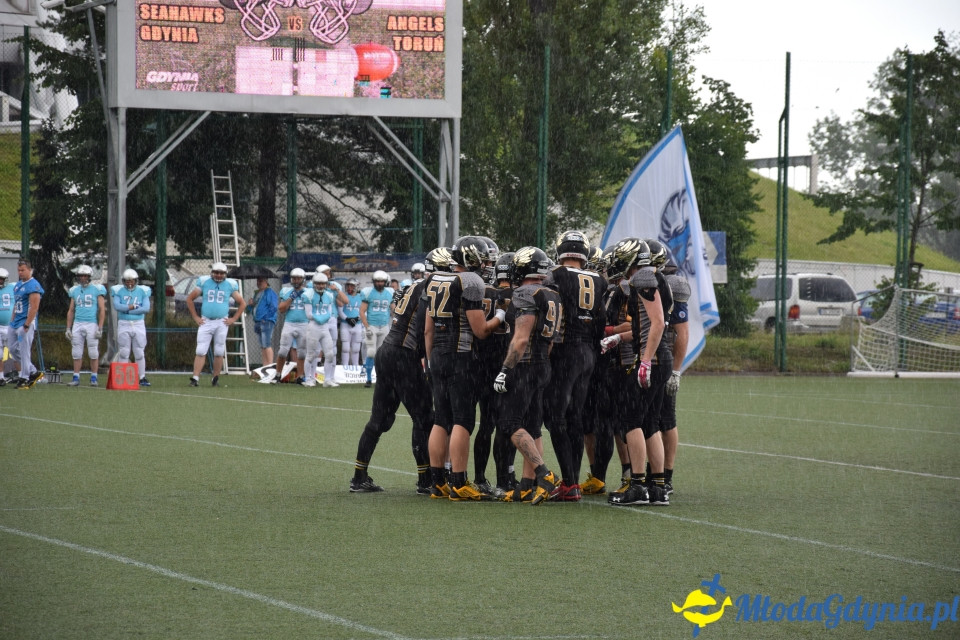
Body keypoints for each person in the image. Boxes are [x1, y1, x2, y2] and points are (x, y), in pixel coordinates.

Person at [349, 250, 445, 494]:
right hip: (404, 354)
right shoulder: (430, 289)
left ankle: (359, 476)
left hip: (388, 351)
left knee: (380, 420)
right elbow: (426, 328)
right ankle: (425, 480)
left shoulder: (412, 286)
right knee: (424, 418)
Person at [424, 236, 506, 501]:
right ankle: (459, 482)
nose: (485, 264)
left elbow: (427, 330)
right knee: (463, 420)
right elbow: (480, 331)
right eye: (481, 259)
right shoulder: (471, 281)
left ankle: (437, 482)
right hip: (460, 355)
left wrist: (430, 360)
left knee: (441, 419)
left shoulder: (434, 279)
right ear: (471, 259)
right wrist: (500, 317)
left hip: (437, 353)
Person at [492, 247, 562, 505]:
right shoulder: (553, 293)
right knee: (533, 428)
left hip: (525, 365)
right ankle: (526, 485)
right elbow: (552, 340)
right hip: (543, 364)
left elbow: (520, 339)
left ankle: (545, 474)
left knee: (509, 424)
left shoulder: (524, 292)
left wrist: (505, 370)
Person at [541, 231, 607, 502]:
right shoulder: (599, 280)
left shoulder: (556, 275)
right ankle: (574, 481)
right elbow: (600, 321)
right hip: (588, 353)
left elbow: (550, 309)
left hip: (565, 350)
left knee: (554, 416)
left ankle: (569, 482)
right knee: (575, 417)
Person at [186, 262, 246, 387]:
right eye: (216, 272)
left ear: (225, 274)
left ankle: (215, 378)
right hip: (206, 320)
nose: (218, 275)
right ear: (212, 272)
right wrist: (195, 317)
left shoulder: (230, 284)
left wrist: (233, 319)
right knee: (201, 350)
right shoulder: (204, 282)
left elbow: (242, 303)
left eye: (221, 273)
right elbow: (189, 299)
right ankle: (195, 378)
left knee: (219, 351)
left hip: (221, 322)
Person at [65, 265, 106, 387]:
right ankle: (76, 377)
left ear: (89, 277)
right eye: (81, 276)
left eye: (85, 276)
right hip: (77, 323)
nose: (82, 278)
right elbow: (71, 310)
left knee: (93, 351)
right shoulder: (75, 290)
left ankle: (94, 377)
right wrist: (68, 327)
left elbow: (102, 309)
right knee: (76, 352)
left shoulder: (97, 289)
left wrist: (100, 327)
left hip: (91, 323)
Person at [111, 268, 152, 387]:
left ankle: (142, 377)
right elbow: (117, 306)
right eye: (127, 281)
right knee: (124, 352)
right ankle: (122, 378)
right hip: (124, 323)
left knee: (139, 352)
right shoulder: (118, 291)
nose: (130, 283)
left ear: (136, 281)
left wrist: (128, 310)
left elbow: (146, 308)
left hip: (138, 323)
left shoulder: (143, 291)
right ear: (123, 281)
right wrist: (133, 307)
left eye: (132, 281)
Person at [8, 259, 45, 389]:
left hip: (25, 322)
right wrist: (12, 319)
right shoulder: (18, 285)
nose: (20, 273)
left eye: (23, 270)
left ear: (30, 270)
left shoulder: (33, 285)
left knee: (24, 350)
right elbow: (16, 305)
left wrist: (27, 324)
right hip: (16, 321)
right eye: (19, 270)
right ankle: (33, 371)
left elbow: (34, 307)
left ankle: (24, 377)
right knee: (12, 348)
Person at [302, 272, 338, 388]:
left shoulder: (329, 295)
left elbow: (329, 312)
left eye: (323, 284)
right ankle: (308, 379)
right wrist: (320, 318)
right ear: (314, 284)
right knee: (311, 355)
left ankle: (327, 379)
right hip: (313, 327)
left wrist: (324, 319)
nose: (321, 286)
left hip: (324, 327)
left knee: (330, 354)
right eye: (318, 284)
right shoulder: (308, 294)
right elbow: (308, 314)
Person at [359, 270, 394, 388]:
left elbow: (394, 310)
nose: (379, 283)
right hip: (372, 326)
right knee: (371, 352)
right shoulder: (368, 293)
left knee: (382, 354)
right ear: (374, 281)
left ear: (385, 282)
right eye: (377, 281)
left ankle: (381, 378)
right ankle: (368, 379)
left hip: (384, 326)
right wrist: (367, 327)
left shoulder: (390, 292)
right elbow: (362, 311)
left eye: (381, 281)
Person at [275, 268, 309, 384]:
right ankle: (278, 374)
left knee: (302, 352)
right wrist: (292, 297)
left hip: (304, 323)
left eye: (298, 278)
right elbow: (281, 309)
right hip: (289, 323)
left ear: (303, 279)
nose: (296, 281)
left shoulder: (309, 292)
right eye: (294, 278)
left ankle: (300, 376)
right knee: (283, 351)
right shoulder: (286, 291)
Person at [314, 264, 349, 374]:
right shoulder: (312, 285)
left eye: (328, 273)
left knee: (333, 347)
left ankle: (331, 374)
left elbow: (345, 301)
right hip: (318, 317)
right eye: (325, 273)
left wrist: (337, 290)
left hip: (332, 318)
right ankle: (314, 372)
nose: (328, 276)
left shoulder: (334, 285)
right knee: (316, 346)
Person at [247, 276, 278, 367]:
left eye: (261, 280)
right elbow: (251, 308)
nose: (258, 283)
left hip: (266, 321)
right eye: (257, 281)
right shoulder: (257, 293)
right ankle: (265, 366)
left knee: (267, 344)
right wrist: (250, 305)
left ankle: (270, 366)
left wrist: (266, 318)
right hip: (258, 321)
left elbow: (273, 307)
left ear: (266, 281)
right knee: (263, 346)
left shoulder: (270, 292)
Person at [339, 278, 364, 371]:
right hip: (345, 324)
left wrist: (357, 318)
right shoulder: (343, 296)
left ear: (356, 287)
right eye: (348, 285)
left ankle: (356, 366)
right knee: (345, 347)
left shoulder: (361, 297)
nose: (349, 288)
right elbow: (340, 311)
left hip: (357, 325)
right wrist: (347, 319)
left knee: (356, 348)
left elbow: (363, 311)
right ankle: (344, 367)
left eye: (352, 286)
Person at [0, 267, 15, 384]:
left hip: (11, 325)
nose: (0, 281)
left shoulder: (13, 287)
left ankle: (22, 375)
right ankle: (1, 376)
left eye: (1, 279)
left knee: (16, 350)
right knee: (0, 353)